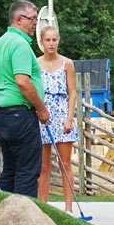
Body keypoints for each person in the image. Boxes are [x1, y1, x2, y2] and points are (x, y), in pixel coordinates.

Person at [0, 0, 49, 197]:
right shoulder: (20, 44)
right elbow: (22, 82)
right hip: (20, 114)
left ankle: (3, 219)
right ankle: (24, 223)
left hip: (2, 114)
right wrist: (41, 109)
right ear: (18, 19)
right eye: (32, 19)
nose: (35, 23)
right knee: (27, 170)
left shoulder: (2, 41)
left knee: (10, 170)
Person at [36, 26, 78, 214]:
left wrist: (69, 119)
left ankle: (68, 209)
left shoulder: (67, 63)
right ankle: (43, 207)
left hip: (62, 116)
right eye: (48, 40)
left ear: (58, 41)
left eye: (54, 40)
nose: (51, 43)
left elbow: (72, 92)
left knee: (65, 163)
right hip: (42, 116)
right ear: (42, 42)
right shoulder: (35, 63)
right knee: (43, 166)